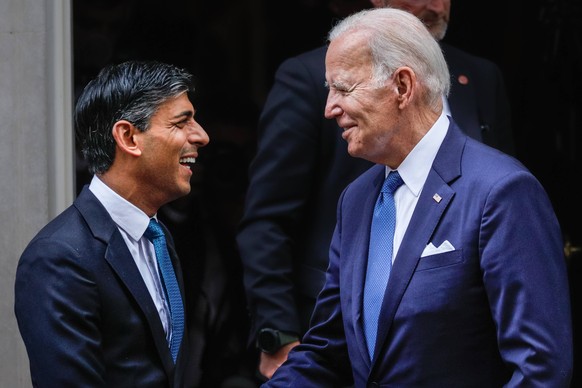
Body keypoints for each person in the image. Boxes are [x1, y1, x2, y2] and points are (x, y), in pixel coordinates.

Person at [262, 8, 573, 386]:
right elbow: (328, 349)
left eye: (343, 88)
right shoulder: (357, 200)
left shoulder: (500, 192)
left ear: (403, 87)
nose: (330, 108)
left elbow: (539, 369)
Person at [14, 60, 210, 387]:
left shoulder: (157, 238)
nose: (201, 135)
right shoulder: (58, 258)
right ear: (128, 137)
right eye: (181, 122)